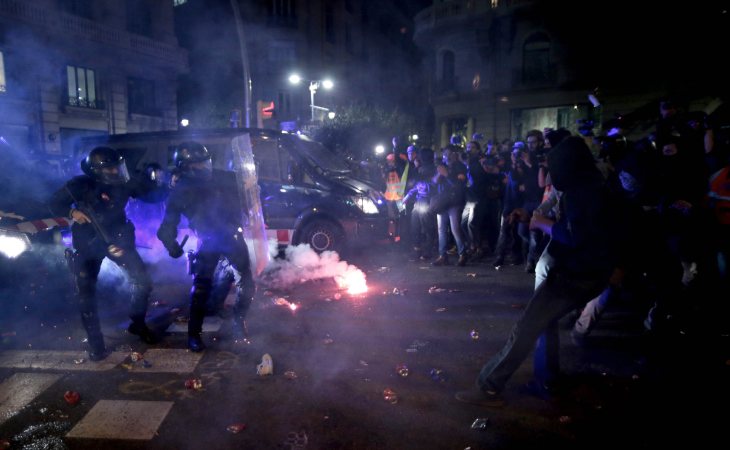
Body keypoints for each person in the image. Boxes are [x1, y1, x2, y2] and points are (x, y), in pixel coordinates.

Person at [455, 137, 618, 406]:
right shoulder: (591, 185)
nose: (553, 174)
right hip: (579, 271)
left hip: (576, 274)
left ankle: (489, 387)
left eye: (556, 167)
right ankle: (548, 379)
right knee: (544, 323)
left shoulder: (584, 192)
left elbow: (577, 236)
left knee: (526, 327)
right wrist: (533, 217)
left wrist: (543, 225)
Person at [48, 146, 164, 361]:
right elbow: (54, 202)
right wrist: (72, 212)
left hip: (117, 241)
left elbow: (151, 195)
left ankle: (137, 324)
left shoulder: (123, 183)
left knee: (143, 283)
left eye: (116, 167)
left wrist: (165, 184)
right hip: (88, 244)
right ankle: (95, 343)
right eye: (110, 169)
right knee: (86, 295)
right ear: (97, 170)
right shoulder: (80, 185)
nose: (115, 172)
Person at [157, 141, 256, 352]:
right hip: (208, 240)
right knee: (201, 288)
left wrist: (250, 186)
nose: (205, 167)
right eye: (198, 165)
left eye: (206, 162)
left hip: (231, 236)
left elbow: (250, 191)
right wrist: (171, 245)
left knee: (247, 283)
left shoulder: (225, 177)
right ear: (185, 167)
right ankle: (194, 334)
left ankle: (238, 322)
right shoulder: (181, 191)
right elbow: (167, 225)